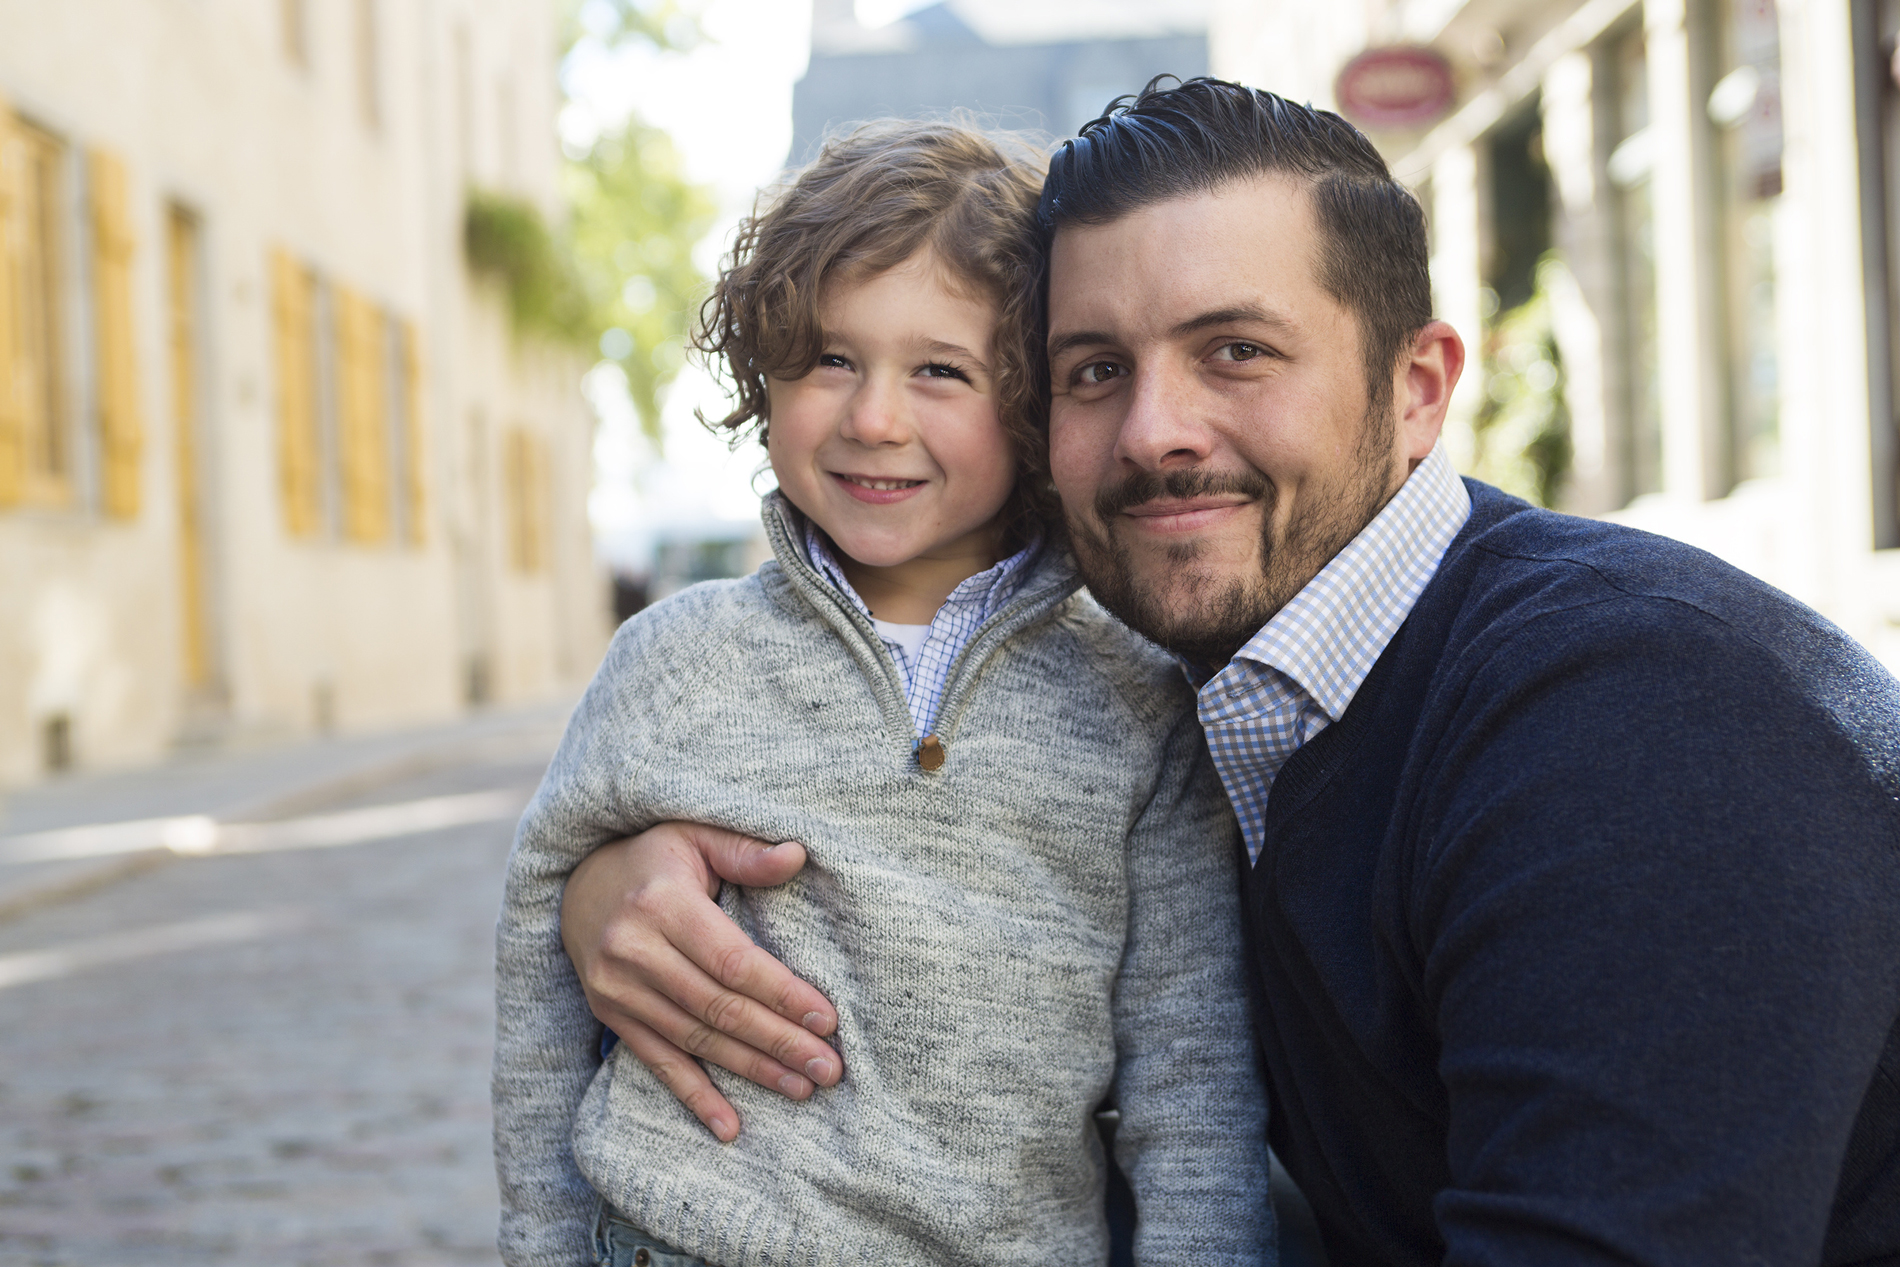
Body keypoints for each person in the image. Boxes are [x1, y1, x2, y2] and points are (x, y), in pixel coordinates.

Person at [557, 78, 1900, 1265]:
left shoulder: (1638, 723)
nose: (1156, 432)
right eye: (1095, 371)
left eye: (1236, 351)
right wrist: (625, 877)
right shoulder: (1199, 706)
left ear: (1419, 385)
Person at [492, 118, 1277, 1267]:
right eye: (829, 359)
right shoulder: (671, 659)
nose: (873, 418)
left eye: (939, 371)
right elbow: (540, 980)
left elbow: (1191, 1075)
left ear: (1031, 403)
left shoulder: (1134, 696)